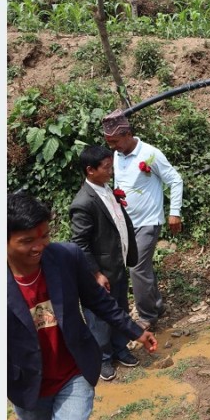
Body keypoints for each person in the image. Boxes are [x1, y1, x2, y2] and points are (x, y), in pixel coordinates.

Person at [7, 192, 157, 420]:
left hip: (73, 374)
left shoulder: (66, 257)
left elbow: (98, 300)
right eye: (27, 241)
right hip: (28, 388)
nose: (39, 246)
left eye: (45, 236)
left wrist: (134, 330)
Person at [103, 109, 184, 331]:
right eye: (109, 142)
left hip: (148, 221)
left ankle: (147, 317)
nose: (112, 147)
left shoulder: (150, 154)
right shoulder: (117, 155)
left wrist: (174, 212)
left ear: (128, 134)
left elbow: (175, 180)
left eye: (115, 141)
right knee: (143, 267)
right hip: (126, 223)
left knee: (136, 268)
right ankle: (156, 305)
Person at [69, 145, 140, 382]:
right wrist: (96, 273)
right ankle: (103, 358)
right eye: (107, 168)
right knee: (99, 317)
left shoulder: (106, 189)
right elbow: (80, 243)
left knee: (119, 308)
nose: (111, 171)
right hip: (101, 273)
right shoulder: (83, 203)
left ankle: (121, 348)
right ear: (90, 170)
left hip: (116, 266)